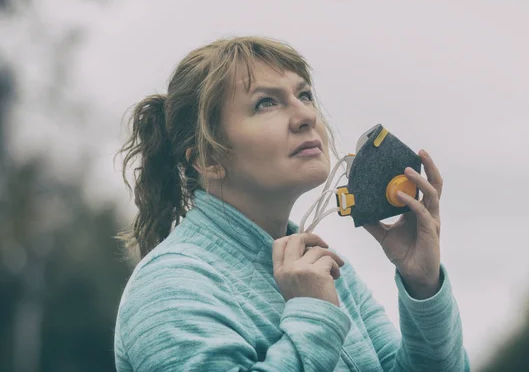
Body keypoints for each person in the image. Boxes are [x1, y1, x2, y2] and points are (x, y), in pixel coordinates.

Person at [113, 36, 470, 371]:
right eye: (266, 103)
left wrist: (423, 286)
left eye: (305, 95)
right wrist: (313, 315)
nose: (306, 116)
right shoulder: (171, 287)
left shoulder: (323, 270)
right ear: (208, 158)